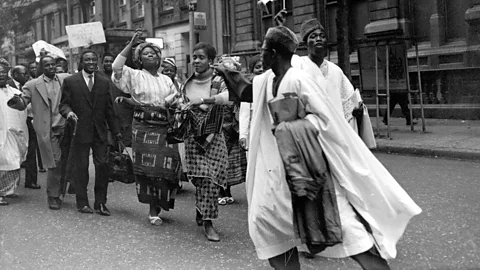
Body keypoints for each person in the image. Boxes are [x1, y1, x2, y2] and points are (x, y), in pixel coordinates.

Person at [220, 26, 422, 269]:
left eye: (263, 50)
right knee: (268, 225)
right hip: (278, 177)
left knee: (348, 233)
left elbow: (327, 122)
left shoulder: (299, 80)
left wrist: (291, 124)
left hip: (311, 173)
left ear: (274, 53)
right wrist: (224, 76)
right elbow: (244, 91)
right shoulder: (267, 80)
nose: (259, 56)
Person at [112, 29, 181, 225]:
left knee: (166, 168)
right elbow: (117, 67)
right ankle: (153, 210)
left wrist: (168, 102)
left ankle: (160, 204)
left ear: (159, 58)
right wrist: (130, 44)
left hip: (164, 127)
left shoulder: (166, 79)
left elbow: (176, 97)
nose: (150, 55)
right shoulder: (134, 75)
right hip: (143, 127)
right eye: (145, 54)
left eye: (154, 53)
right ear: (139, 60)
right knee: (149, 170)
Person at [290, 18, 375, 148]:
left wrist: (357, 109)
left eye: (322, 36)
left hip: (335, 134)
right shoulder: (298, 66)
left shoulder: (336, 71)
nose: (318, 39)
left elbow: (349, 99)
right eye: (313, 36)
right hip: (310, 135)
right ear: (306, 43)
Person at [176, 42, 231, 242]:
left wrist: (202, 102)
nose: (197, 61)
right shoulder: (187, 83)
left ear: (211, 60)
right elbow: (181, 102)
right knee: (203, 178)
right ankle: (208, 222)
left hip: (214, 136)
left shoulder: (219, 79)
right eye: (194, 57)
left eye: (201, 57)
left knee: (215, 177)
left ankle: (202, 209)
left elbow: (227, 97)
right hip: (193, 137)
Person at [59, 49, 120, 216]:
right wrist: (69, 113)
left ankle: (101, 203)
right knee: (82, 168)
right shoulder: (71, 81)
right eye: (87, 60)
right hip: (80, 131)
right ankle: (82, 202)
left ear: (97, 61)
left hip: (100, 132)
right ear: (81, 61)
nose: (91, 62)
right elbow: (63, 105)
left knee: (102, 167)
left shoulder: (104, 82)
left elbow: (109, 109)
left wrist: (117, 133)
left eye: (94, 59)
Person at [8, 56, 70, 210]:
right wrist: (17, 102)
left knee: (67, 163)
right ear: (41, 67)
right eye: (46, 65)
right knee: (55, 163)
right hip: (48, 130)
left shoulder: (65, 79)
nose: (50, 67)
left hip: (67, 128)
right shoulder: (33, 85)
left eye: (52, 64)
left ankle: (60, 191)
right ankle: (53, 196)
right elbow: (23, 104)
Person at [215, 55, 247, 206]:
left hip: (234, 124)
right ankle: (220, 191)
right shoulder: (216, 83)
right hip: (220, 125)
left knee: (232, 160)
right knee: (221, 159)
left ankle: (228, 190)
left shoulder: (237, 83)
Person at [7, 65, 41, 190]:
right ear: (15, 75)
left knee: (31, 150)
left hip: (28, 121)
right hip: (11, 122)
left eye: (27, 74)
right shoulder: (7, 86)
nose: (27, 76)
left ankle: (31, 180)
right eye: (24, 74)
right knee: (12, 151)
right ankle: (10, 183)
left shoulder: (30, 85)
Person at [0, 59, 28, 205]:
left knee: (13, 161)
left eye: (3, 72)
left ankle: (7, 191)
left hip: (13, 134)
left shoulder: (14, 92)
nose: (1, 75)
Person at [99, 52, 134, 147]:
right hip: (107, 119)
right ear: (102, 63)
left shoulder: (121, 77)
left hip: (122, 117)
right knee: (109, 145)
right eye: (106, 61)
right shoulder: (98, 77)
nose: (108, 63)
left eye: (111, 61)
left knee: (123, 146)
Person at [238, 54, 263, 151]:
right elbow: (244, 114)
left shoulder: (272, 85)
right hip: (253, 130)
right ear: (252, 70)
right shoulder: (248, 88)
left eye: (263, 67)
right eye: (257, 67)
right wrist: (243, 135)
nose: (261, 70)